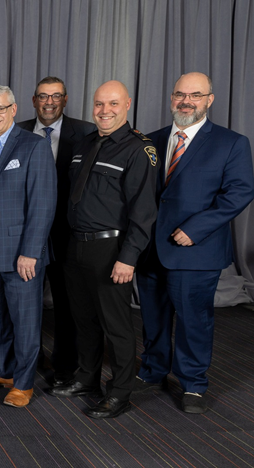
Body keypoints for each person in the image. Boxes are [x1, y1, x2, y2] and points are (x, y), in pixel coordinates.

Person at [136, 72, 254, 414]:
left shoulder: (231, 143)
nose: (186, 101)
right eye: (180, 95)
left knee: (193, 320)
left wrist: (196, 227)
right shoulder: (151, 140)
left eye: (195, 95)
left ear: (209, 100)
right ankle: (153, 370)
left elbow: (240, 192)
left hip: (195, 249)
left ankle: (193, 384)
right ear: (171, 98)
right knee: (153, 318)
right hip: (150, 249)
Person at [51, 81, 157, 419]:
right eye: (99, 104)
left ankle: (120, 393)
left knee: (117, 326)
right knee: (84, 321)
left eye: (112, 104)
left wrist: (128, 257)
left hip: (111, 249)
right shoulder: (85, 144)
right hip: (76, 244)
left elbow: (144, 211)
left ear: (127, 104)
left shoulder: (138, 150)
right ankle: (87, 380)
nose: (104, 111)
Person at [0, 85, 56, 408]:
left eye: (0, 109)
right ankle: (2, 370)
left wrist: (31, 251)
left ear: (14, 109)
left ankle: (24, 382)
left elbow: (43, 204)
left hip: (22, 253)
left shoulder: (34, 146)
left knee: (25, 320)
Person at [16, 76, 96, 387]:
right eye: (43, 96)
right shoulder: (17, 130)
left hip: (67, 232)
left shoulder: (87, 132)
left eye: (56, 96)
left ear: (65, 100)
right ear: (33, 100)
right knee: (24, 301)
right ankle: (24, 360)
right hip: (25, 232)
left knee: (67, 302)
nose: (49, 102)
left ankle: (65, 365)